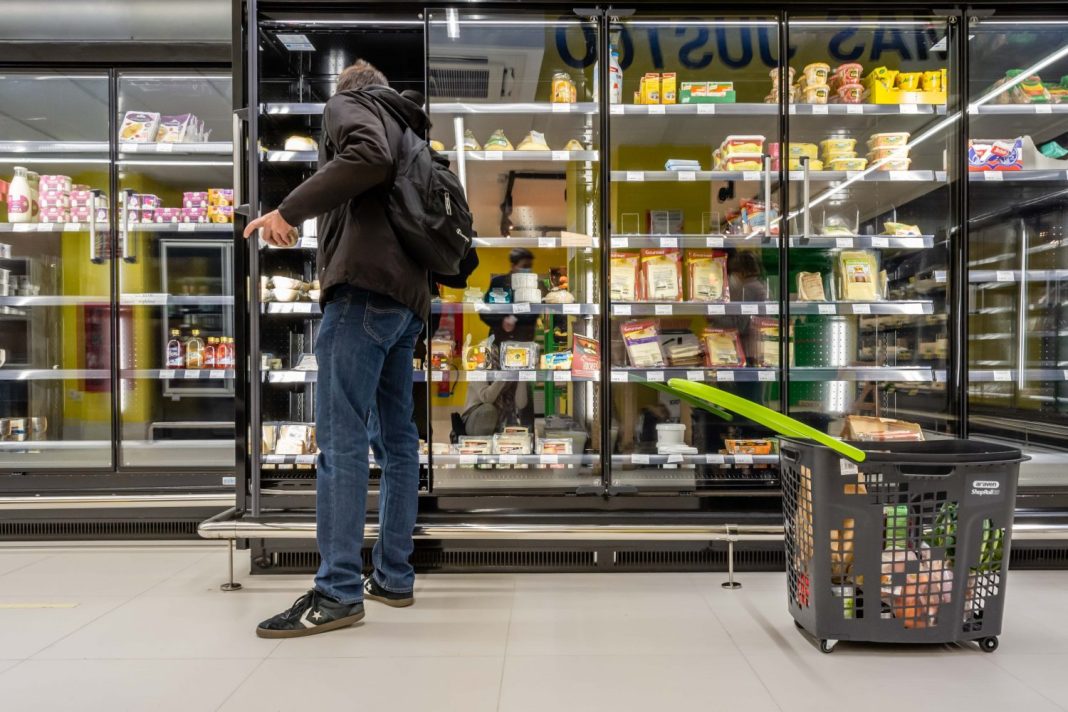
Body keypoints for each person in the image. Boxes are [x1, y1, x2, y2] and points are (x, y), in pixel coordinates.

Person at [244, 60, 428, 638]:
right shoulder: (410, 128)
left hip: (363, 299)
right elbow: (372, 181)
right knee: (398, 443)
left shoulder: (350, 104)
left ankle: (338, 591)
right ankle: (394, 576)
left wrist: (287, 209)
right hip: (407, 304)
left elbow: (363, 157)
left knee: (341, 443)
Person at [481, 247, 538, 344]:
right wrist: (502, 321)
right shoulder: (499, 283)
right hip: (500, 339)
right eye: (524, 266)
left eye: (530, 266)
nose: (528, 269)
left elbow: (535, 311)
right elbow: (486, 311)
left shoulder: (533, 285)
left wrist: (515, 318)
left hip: (524, 341)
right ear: (513, 266)